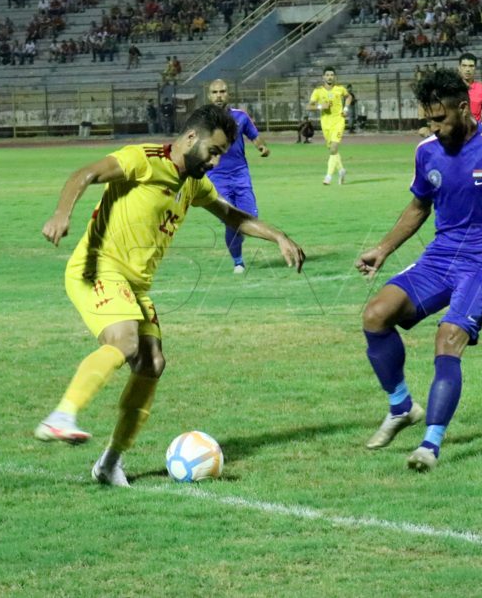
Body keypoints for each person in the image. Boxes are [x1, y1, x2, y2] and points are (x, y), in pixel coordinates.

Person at [34, 105, 305, 487]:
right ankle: (62, 415)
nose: (215, 162)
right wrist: (62, 213)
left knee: (152, 364)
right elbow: (85, 173)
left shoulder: (193, 183)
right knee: (125, 341)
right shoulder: (143, 160)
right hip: (97, 268)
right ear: (191, 138)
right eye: (213, 151)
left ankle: (110, 463)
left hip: (134, 285)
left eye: (221, 155)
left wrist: (277, 235)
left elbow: (231, 215)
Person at [355, 68, 482, 472]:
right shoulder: (426, 152)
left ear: (464, 108)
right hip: (441, 256)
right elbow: (419, 205)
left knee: (448, 337)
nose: (433, 127)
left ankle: (430, 445)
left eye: (440, 118)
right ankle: (401, 406)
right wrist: (383, 249)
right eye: (428, 119)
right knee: (375, 315)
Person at [207, 79, 270, 274]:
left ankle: (238, 237)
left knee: (250, 218)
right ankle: (238, 262)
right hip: (216, 177)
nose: (219, 95)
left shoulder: (241, 116)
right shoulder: (202, 120)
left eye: (222, 91)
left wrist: (262, 147)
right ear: (209, 95)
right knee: (231, 219)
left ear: (228, 94)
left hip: (241, 175)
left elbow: (254, 136)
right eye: (215, 92)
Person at [416, 53, 482, 137]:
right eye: (464, 66)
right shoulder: (446, 87)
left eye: (471, 66)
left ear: (475, 68)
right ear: (459, 67)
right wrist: (422, 125)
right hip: (449, 136)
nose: (467, 69)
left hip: (473, 136)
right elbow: (423, 101)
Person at [307, 66, 351, 185]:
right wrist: (320, 106)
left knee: (333, 148)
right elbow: (309, 106)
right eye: (327, 75)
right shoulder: (318, 91)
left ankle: (328, 177)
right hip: (325, 124)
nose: (329, 77)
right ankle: (341, 170)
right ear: (323, 77)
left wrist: (346, 109)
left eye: (331, 75)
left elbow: (349, 97)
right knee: (332, 151)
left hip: (338, 121)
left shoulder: (340, 89)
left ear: (335, 77)